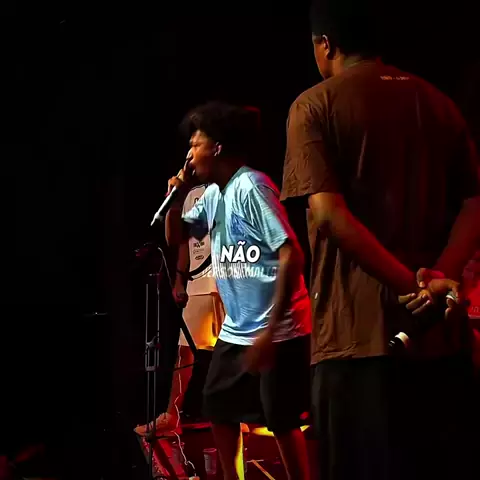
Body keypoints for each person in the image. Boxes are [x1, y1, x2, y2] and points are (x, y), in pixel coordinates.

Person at [280, 1, 480, 479]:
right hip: (440, 340)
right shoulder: (438, 102)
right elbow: (475, 204)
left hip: (356, 339)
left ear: (325, 44)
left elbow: (329, 215)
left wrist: (410, 286)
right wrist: (441, 278)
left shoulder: (314, 105)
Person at [165, 101, 312, 480]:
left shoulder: (252, 186)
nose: (189, 155)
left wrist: (269, 331)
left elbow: (291, 253)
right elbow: (178, 236)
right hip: (238, 329)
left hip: (278, 330)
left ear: (217, 147)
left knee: (280, 419)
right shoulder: (214, 194)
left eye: (195, 144)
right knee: (218, 408)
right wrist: (177, 198)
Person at [134, 185, 225, 436]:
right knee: (184, 352)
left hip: (231, 283)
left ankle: (244, 414)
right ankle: (172, 415)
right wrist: (179, 280)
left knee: (236, 352)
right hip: (199, 284)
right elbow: (182, 240)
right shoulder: (190, 194)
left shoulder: (229, 184)